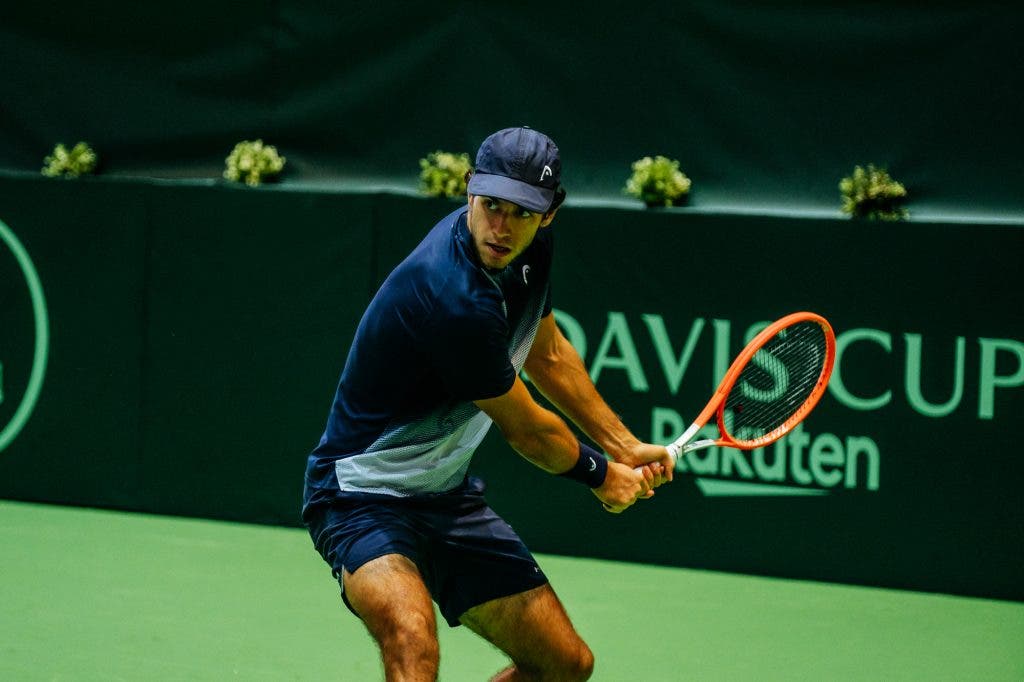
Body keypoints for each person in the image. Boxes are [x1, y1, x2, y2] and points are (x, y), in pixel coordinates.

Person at [303, 126, 674, 681]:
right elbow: (529, 433)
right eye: (491, 205)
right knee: (411, 637)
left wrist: (624, 445)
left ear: (549, 214)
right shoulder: (453, 295)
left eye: (522, 213)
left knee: (564, 666)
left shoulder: (531, 251)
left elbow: (545, 352)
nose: (501, 227)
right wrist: (603, 475)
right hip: (359, 497)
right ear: (469, 190)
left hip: (444, 499)